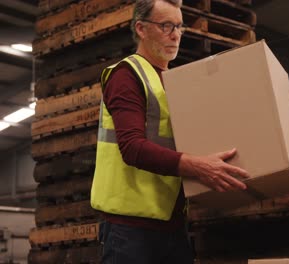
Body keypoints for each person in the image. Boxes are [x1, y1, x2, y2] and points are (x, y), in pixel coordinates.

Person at [90, 0, 250, 263]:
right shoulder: (127, 75)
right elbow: (131, 147)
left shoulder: (174, 83)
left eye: (179, 26)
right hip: (131, 230)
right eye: (166, 26)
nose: (175, 35)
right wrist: (197, 166)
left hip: (171, 226)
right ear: (141, 28)